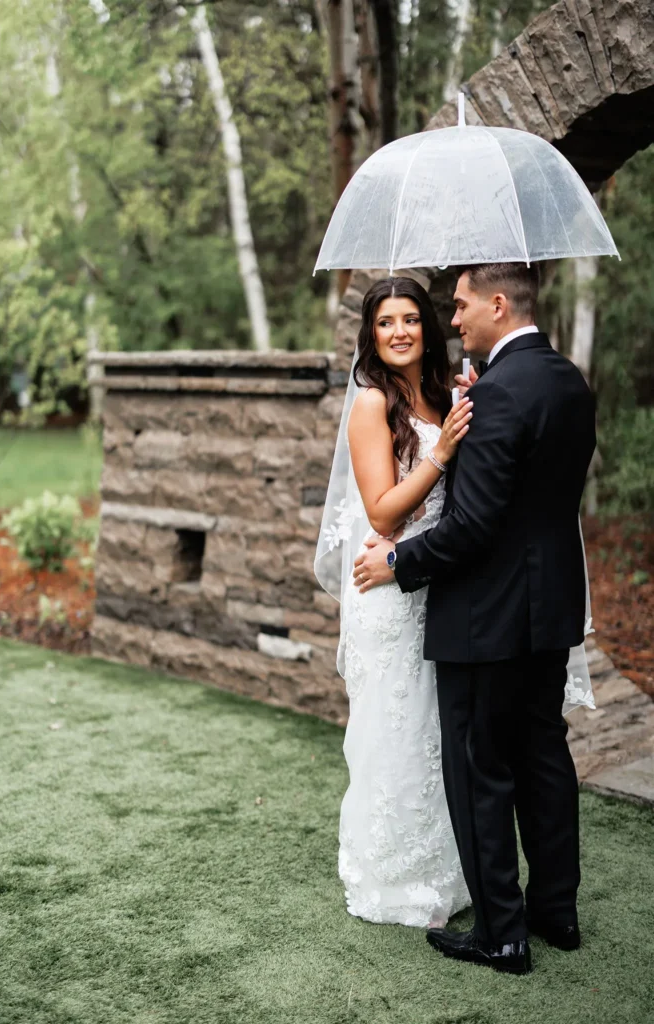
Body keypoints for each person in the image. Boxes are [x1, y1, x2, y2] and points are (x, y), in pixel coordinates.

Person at [353, 262, 596, 975]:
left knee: (479, 769)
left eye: (457, 307)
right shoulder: (567, 381)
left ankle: (501, 933)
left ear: (496, 304)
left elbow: (475, 525)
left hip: (483, 618)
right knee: (543, 758)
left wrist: (398, 567)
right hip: (549, 606)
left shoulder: (493, 394)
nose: (449, 320)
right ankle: (557, 913)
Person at [316, 275, 473, 930]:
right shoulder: (370, 404)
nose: (400, 331)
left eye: (410, 318)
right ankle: (390, 876)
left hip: (434, 586)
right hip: (387, 590)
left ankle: (444, 868)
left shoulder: (438, 393)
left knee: (436, 735)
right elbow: (380, 509)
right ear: (370, 335)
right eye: (386, 322)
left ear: (426, 328)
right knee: (394, 730)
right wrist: (438, 453)